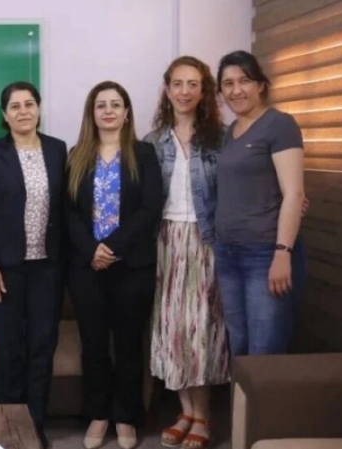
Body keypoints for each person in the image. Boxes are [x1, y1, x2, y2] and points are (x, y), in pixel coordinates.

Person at [64, 81, 163, 449]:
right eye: (101, 105)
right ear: (92, 113)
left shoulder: (144, 154)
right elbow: (69, 212)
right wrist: (93, 249)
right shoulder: (77, 155)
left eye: (115, 104)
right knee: (93, 345)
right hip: (86, 266)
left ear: (126, 112)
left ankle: (125, 416)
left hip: (131, 265)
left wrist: (112, 247)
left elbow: (150, 209)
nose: (108, 111)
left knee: (128, 345)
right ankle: (97, 414)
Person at [0, 81, 66, 448]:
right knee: (8, 348)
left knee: (42, 345)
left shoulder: (58, 150)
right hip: (6, 269)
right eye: (15, 106)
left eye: (29, 104)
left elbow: (66, 209)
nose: (23, 111)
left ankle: (35, 425)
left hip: (48, 267)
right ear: (5, 114)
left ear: (38, 109)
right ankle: (9, 425)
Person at [143, 56, 229, 449]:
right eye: (178, 83)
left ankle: (203, 415)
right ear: (167, 89)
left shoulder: (220, 138)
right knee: (172, 329)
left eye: (193, 84)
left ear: (203, 90)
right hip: (165, 240)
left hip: (206, 240)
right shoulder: (152, 141)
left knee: (202, 328)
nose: (184, 91)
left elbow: (242, 186)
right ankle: (185, 412)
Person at [214, 50, 306, 357]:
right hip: (227, 252)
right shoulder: (229, 132)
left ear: (261, 85)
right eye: (228, 84)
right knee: (238, 344)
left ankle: (262, 397)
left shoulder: (279, 124)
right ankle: (240, 394)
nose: (236, 90)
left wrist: (282, 253)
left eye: (244, 81)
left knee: (264, 349)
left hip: (264, 253)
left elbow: (294, 194)